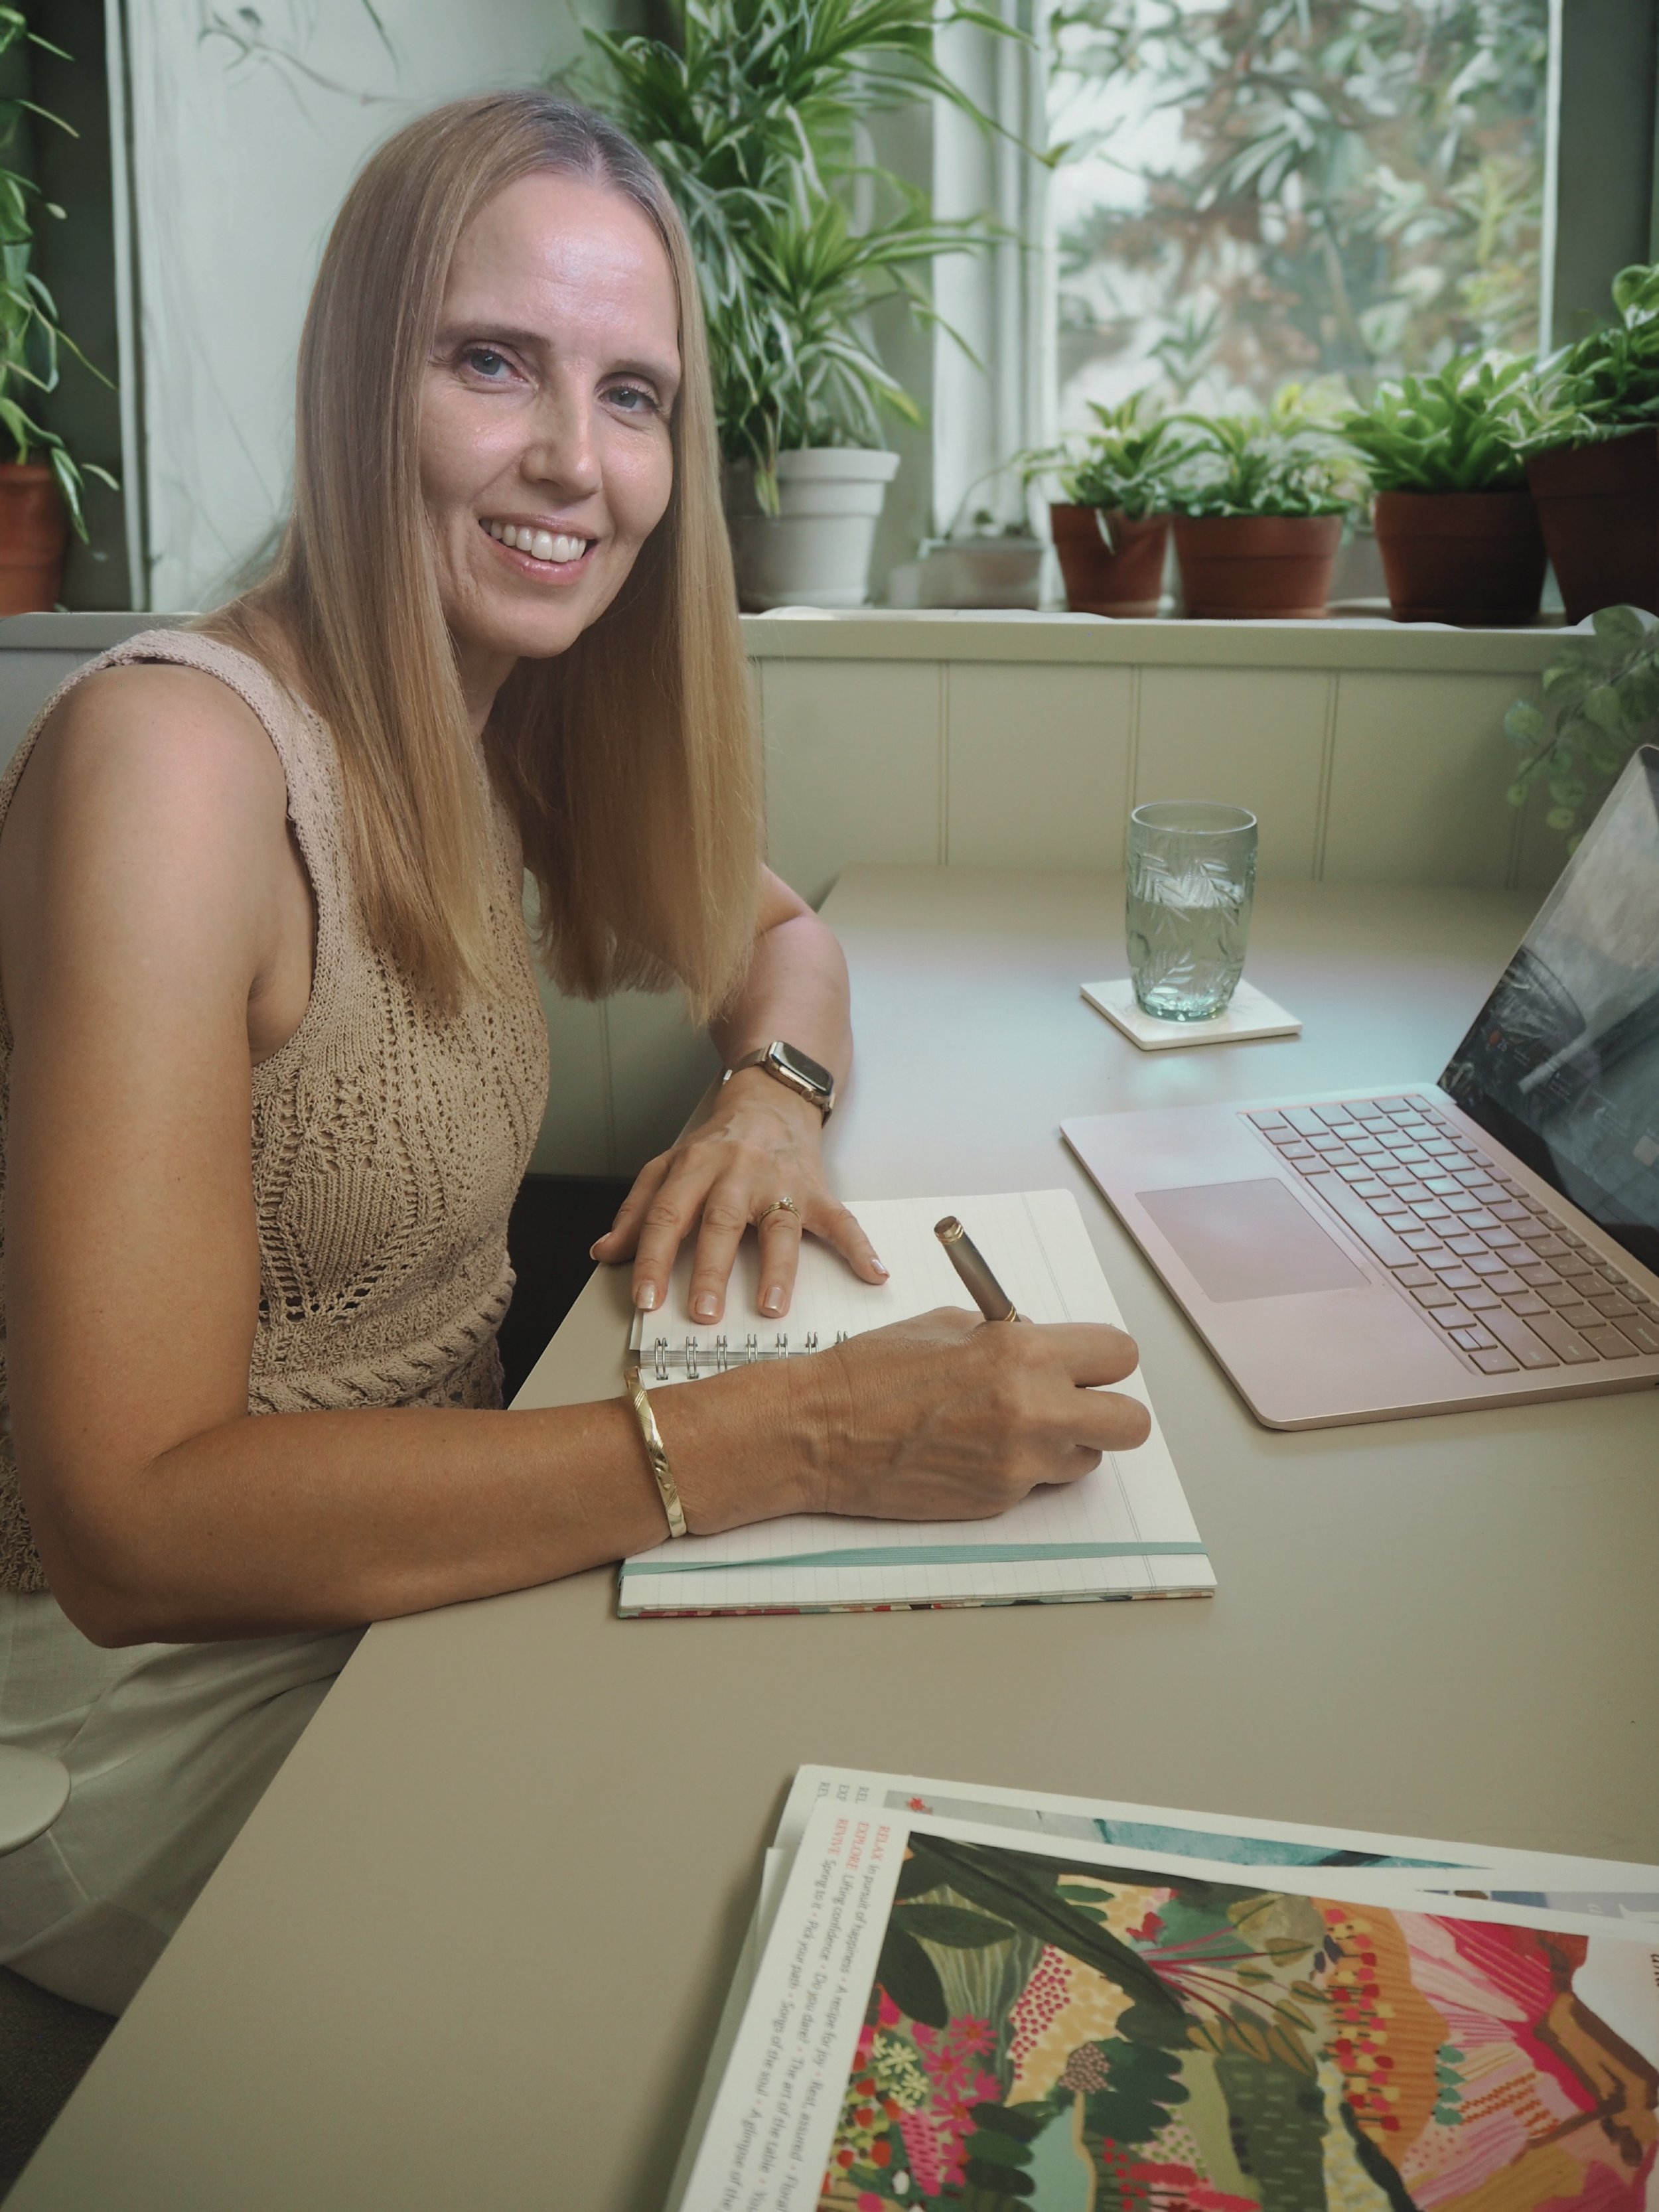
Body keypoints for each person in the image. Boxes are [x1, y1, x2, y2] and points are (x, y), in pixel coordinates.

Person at [0, 92, 1149, 2016]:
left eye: (634, 398)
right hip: (122, 1696)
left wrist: (769, 1106)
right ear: (361, 383)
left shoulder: (504, 714)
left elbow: (781, 938)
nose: (574, 461)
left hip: (427, 1568)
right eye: (490, 364)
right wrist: (797, 1435)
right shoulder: (175, 768)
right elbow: (127, 1530)